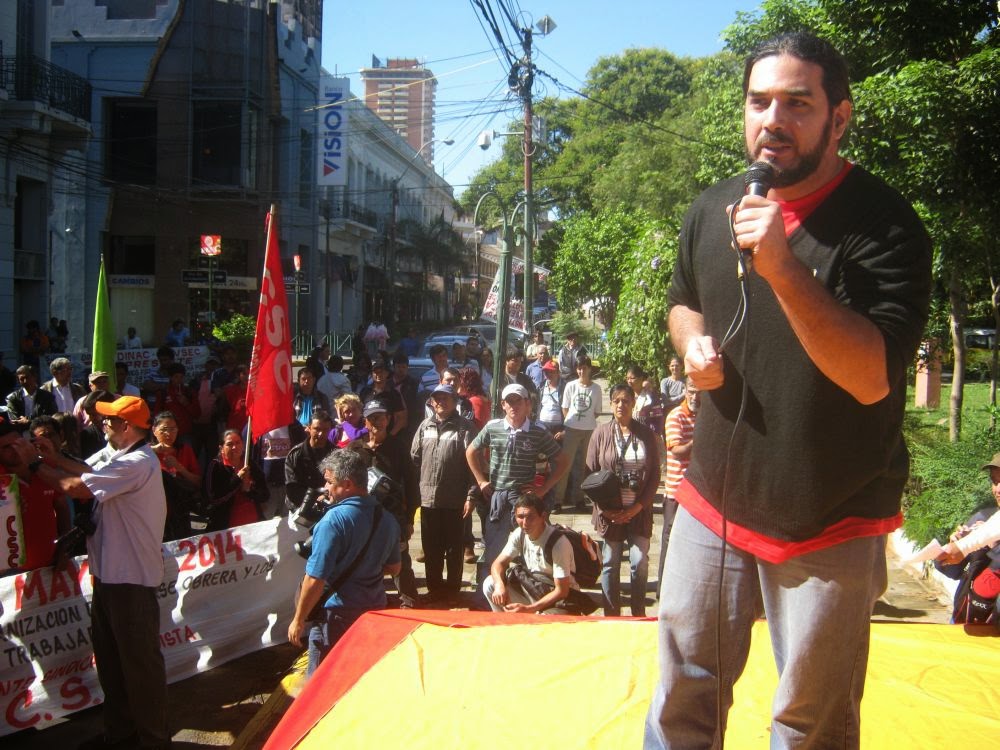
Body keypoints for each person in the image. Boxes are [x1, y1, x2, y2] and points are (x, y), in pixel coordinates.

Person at [644, 32, 932, 748]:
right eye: (759, 101)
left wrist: (780, 267)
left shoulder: (887, 228)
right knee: (683, 697)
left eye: (798, 104)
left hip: (829, 516)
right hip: (713, 499)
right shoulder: (714, 208)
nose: (773, 119)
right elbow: (682, 302)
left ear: (840, 118)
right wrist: (693, 345)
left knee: (810, 723)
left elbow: (871, 377)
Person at [15, 394, 170, 748]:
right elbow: (88, 471)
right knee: (114, 666)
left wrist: (35, 464)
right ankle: (121, 734)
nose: (102, 424)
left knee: (140, 670)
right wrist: (52, 457)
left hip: (130, 583)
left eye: (109, 420)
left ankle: (154, 740)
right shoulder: (123, 457)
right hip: (111, 580)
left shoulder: (137, 462)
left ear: (126, 427)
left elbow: (76, 487)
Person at [287, 450, 401, 676]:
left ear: (347, 484)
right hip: (373, 611)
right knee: (359, 679)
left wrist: (298, 621)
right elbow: (395, 568)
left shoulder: (332, 521)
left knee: (322, 685)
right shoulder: (387, 519)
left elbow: (315, 579)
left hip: (336, 617)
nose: (326, 488)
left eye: (329, 482)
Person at [466, 384, 570, 590]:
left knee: (529, 549)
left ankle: (529, 592)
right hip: (498, 498)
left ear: (528, 404)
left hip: (525, 501)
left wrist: (543, 489)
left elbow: (563, 461)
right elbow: (471, 451)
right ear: (503, 405)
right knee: (494, 549)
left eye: (518, 401)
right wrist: (481, 481)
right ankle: (488, 593)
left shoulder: (538, 431)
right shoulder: (493, 427)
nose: (514, 406)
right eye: (509, 401)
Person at [586, 383, 661, 617]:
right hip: (610, 513)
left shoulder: (646, 434)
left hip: (638, 511)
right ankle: (611, 614)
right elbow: (588, 475)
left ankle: (638, 613)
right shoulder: (600, 433)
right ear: (611, 404)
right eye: (617, 400)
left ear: (633, 403)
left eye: (626, 401)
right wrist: (603, 510)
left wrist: (638, 507)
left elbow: (655, 475)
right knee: (610, 563)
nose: (621, 405)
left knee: (639, 563)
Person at [346, 400, 420, 607]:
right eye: (371, 418)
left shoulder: (398, 446)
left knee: (400, 558)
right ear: (365, 421)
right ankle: (364, 600)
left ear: (388, 419)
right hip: (361, 515)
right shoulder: (354, 448)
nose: (376, 421)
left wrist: (409, 518)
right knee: (361, 558)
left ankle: (409, 601)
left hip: (393, 515)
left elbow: (412, 483)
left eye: (380, 417)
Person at [411, 384, 476, 602]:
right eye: (436, 398)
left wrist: (471, 495)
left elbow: (475, 465)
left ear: (455, 401)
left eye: (445, 398)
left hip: (455, 500)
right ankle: (434, 589)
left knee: (454, 549)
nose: (440, 402)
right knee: (431, 548)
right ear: (431, 402)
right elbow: (415, 458)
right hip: (428, 500)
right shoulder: (424, 426)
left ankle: (453, 591)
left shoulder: (465, 428)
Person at [482, 492, 578, 614]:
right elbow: (498, 564)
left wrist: (528, 609)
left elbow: (562, 591)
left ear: (543, 516)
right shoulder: (519, 534)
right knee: (490, 584)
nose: (525, 523)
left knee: (548, 621)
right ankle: (506, 624)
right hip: (534, 588)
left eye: (530, 517)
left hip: (559, 598)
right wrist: (499, 585)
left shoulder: (559, 544)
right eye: (520, 517)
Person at [934, 454, 1000, 624]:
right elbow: (952, 572)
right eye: (994, 481)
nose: (997, 489)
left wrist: (991, 546)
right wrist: (953, 546)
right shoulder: (983, 517)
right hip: (964, 619)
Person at [0, 419, 70, 572]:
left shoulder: (46, 470)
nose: (15, 449)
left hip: (51, 564)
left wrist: (65, 547)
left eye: (17, 442)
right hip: (10, 574)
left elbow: (62, 507)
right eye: (6, 447)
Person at [658, 381, 699, 586]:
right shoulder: (676, 416)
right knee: (670, 540)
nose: (695, 396)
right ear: (685, 391)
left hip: (698, 494)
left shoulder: (705, 415)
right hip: (676, 493)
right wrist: (703, 435)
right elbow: (677, 450)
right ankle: (663, 588)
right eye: (692, 391)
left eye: (700, 393)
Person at [558, 355, 602, 511]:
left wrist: (585, 421)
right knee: (565, 465)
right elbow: (565, 407)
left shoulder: (596, 389)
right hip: (571, 428)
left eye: (584, 368)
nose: (581, 371)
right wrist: (572, 422)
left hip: (588, 429)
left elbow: (597, 412)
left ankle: (579, 498)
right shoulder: (570, 385)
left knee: (582, 466)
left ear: (590, 369)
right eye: (579, 368)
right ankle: (558, 500)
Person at [151, 411, 202, 541]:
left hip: (180, 510)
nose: (169, 434)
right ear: (154, 430)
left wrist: (180, 467)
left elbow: (198, 482)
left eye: (173, 429)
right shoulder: (145, 452)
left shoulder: (185, 449)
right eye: (164, 430)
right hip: (154, 512)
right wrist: (152, 450)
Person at [204, 429, 268, 531]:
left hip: (253, 525)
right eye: (229, 444)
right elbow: (213, 498)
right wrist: (237, 479)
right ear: (221, 448)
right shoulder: (215, 466)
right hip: (226, 529)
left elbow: (265, 495)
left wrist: (249, 491)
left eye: (238, 443)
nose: (235, 447)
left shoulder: (249, 463)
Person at [284, 411, 336, 514]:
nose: (321, 434)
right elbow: (292, 488)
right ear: (309, 428)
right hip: (298, 508)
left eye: (325, 430)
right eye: (317, 429)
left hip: (327, 508)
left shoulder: (335, 454)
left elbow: (339, 483)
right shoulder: (295, 455)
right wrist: (312, 502)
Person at [359, 358, 407, 437]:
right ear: (371, 374)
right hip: (368, 437)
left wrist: (390, 435)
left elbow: (402, 418)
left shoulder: (393, 394)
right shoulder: (365, 392)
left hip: (387, 437)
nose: (378, 374)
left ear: (387, 374)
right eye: (375, 372)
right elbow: (360, 414)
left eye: (382, 372)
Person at [7, 365, 58, 431]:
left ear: (34, 377)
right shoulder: (13, 398)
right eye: (22, 379)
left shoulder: (47, 397)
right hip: (21, 435)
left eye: (27, 377)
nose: (25, 381)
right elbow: (14, 420)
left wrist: (29, 422)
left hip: (43, 433)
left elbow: (50, 417)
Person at [291, 367, 330, 446]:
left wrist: (311, 428)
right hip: (295, 432)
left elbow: (326, 418)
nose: (306, 381)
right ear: (298, 381)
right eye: (303, 379)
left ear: (314, 380)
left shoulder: (322, 397)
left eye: (309, 378)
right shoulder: (292, 397)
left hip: (315, 433)